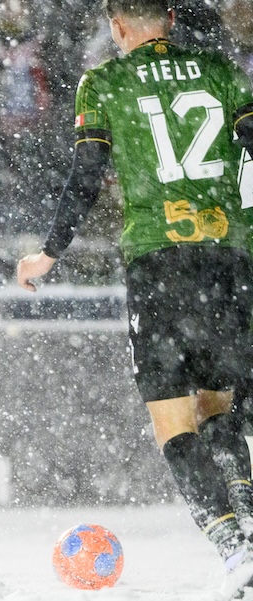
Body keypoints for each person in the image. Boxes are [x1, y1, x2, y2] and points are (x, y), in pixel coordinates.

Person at [15, 1, 253, 597]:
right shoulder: (220, 71)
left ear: (118, 25)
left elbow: (87, 175)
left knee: (173, 420)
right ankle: (248, 516)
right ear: (169, 19)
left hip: (161, 262)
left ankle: (232, 546)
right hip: (228, 260)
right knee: (220, 408)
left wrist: (48, 252)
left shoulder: (104, 82)